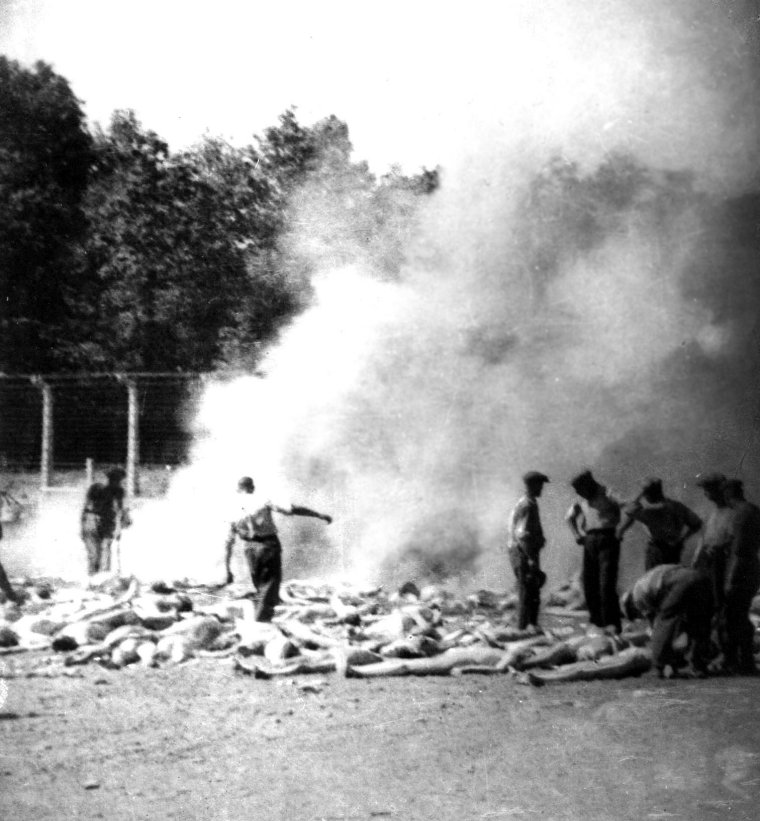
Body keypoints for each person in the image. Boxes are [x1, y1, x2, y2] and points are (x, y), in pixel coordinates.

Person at [224, 476, 332, 622]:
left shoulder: (232, 509)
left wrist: (228, 570)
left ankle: (260, 620)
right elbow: (292, 509)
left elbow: (228, 543)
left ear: (238, 489)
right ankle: (260, 625)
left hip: (249, 550)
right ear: (252, 488)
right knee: (269, 589)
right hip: (268, 547)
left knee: (261, 588)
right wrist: (319, 515)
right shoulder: (262, 500)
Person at [621, 563, 714, 678]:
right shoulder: (646, 580)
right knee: (698, 622)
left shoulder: (637, 595)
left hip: (681, 582)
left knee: (664, 621)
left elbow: (656, 626)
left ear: (630, 606)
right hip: (700, 577)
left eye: (635, 615)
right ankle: (698, 666)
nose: (639, 616)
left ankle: (659, 666)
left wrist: (649, 638)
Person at [566, 469, 622, 633]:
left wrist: (621, 530)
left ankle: (611, 623)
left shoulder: (608, 493)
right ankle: (596, 622)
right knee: (590, 583)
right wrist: (577, 534)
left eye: (580, 490)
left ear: (589, 484)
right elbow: (569, 517)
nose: (579, 493)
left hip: (608, 537)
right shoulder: (581, 498)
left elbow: (629, 507)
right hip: (590, 539)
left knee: (606, 583)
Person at [618, 477, 702, 570]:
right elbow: (697, 523)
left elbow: (630, 510)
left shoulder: (650, 512)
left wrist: (639, 494)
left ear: (646, 494)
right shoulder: (677, 506)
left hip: (657, 551)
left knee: (654, 579)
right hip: (675, 548)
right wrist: (682, 539)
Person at [721, 479, 760, 675]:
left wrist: (729, 579)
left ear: (728, 494)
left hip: (740, 569)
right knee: (741, 615)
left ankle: (735, 661)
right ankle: (744, 661)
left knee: (733, 617)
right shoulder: (753, 510)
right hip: (752, 568)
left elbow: (737, 550)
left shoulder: (741, 514)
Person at [507, 471, 549, 631]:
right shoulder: (528, 505)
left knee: (530, 591)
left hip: (522, 552)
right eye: (540, 485)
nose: (542, 489)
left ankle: (529, 627)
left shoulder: (525, 502)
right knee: (528, 592)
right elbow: (522, 534)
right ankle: (523, 630)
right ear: (532, 486)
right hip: (524, 553)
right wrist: (530, 559)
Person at [81, 467, 131, 575]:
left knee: (102, 552)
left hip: (101, 523)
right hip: (94, 522)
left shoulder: (116, 491)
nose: (119, 483)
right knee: (97, 554)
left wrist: (120, 525)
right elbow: (89, 507)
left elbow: (121, 511)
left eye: (119, 480)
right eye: (117, 480)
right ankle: (96, 578)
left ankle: (101, 577)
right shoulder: (99, 489)